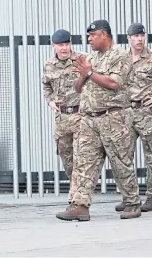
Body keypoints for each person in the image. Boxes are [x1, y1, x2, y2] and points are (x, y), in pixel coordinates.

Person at [56, 20, 141, 221]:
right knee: (83, 162)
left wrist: (90, 72)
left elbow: (114, 83)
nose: (89, 40)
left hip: (114, 117)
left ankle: (132, 202)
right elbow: (77, 88)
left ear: (104, 35)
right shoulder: (90, 57)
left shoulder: (120, 55)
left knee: (120, 162)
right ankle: (79, 205)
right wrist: (81, 75)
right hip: (89, 119)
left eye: (92, 36)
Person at [42, 29, 82, 204]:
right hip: (62, 119)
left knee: (82, 158)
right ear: (54, 46)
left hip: (81, 116)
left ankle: (77, 199)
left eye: (67, 44)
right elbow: (46, 86)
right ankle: (78, 192)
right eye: (60, 45)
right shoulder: (49, 64)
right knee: (67, 160)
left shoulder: (82, 60)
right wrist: (50, 101)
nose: (64, 48)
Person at [115, 23, 152, 213]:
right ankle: (129, 197)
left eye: (142, 35)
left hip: (147, 113)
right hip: (126, 113)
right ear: (128, 38)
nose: (139, 39)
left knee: (151, 156)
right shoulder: (122, 59)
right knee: (122, 155)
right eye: (135, 36)